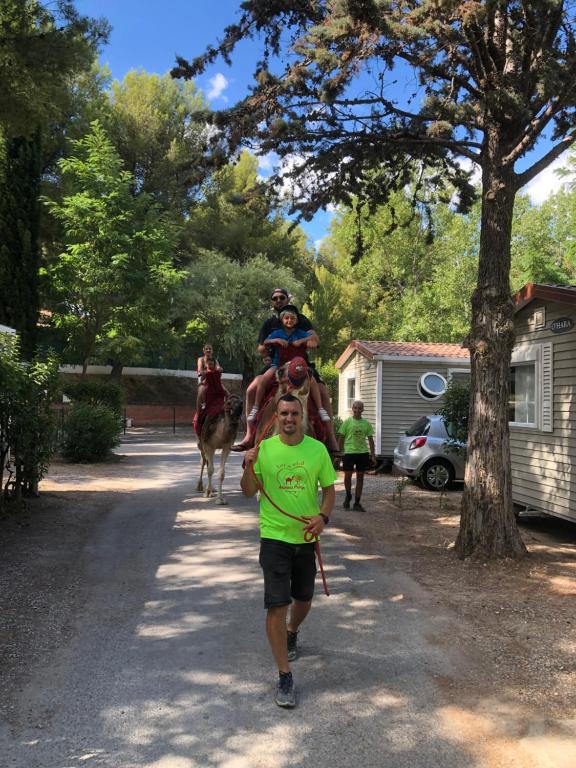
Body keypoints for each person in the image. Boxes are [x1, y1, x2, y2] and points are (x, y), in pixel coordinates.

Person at [241, 393, 336, 708]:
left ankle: (293, 630)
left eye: (294, 413)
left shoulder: (317, 450)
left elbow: (330, 491)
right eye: (284, 413)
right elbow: (248, 491)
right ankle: (285, 675)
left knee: (304, 600)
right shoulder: (265, 450)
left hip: (306, 538)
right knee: (276, 606)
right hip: (274, 538)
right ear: (277, 416)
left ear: (302, 416)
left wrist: (322, 518)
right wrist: (248, 466)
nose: (289, 418)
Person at [248, 304, 330, 425]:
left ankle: (320, 409)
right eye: (286, 318)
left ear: (296, 320)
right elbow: (265, 341)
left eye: (292, 318)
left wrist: (301, 341)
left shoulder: (300, 332)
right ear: (282, 319)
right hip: (279, 364)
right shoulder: (277, 333)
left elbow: (315, 338)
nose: (289, 320)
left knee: (311, 379)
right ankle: (255, 407)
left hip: (298, 365)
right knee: (263, 379)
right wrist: (275, 340)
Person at [338, 400, 376, 512]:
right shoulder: (347, 422)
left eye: (360, 408)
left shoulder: (366, 424)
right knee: (348, 476)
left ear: (362, 410)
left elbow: (371, 440)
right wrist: (339, 452)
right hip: (349, 452)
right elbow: (341, 437)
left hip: (362, 453)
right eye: (355, 408)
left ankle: (357, 502)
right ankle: (348, 495)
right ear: (352, 409)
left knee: (360, 477)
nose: (357, 410)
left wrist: (372, 455)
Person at [196, 343, 222, 414]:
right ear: (203, 350)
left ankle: (226, 404)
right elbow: (200, 370)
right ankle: (199, 413)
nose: (208, 350)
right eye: (206, 349)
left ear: (212, 351)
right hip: (203, 380)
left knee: (225, 390)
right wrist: (206, 371)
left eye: (210, 349)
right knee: (201, 392)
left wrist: (219, 369)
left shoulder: (215, 360)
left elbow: (218, 367)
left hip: (213, 380)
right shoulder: (200, 359)